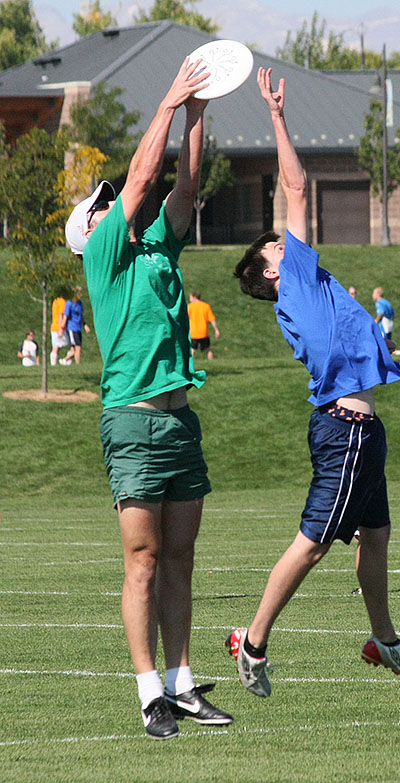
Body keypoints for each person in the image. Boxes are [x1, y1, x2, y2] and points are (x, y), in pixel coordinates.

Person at [227, 67, 400, 698]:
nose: (286, 242)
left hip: (364, 430)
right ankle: (252, 642)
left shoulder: (303, 286)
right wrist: (277, 116)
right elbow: (296, 186)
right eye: (277, 246)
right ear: (272, 272)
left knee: (378, 536)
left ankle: (384, 640)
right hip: (345, 432)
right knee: (313, 544)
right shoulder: (300, 285)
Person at [64, 57, 233, 739]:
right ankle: (147, 692)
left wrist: (198, 113)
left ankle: (183, 683)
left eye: (111, 202)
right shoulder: (104, 254)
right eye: (101, 205)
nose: (114, 203)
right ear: (91, 230)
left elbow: (183, 185)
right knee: (143, 560)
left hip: (178, 419)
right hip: (131, 422)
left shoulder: (158, 245)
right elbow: (140, 178)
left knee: (183, 558)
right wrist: (167, 100)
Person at [59, 286, 91, 365]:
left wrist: (85, 325)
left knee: (74, 350)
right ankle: (78, 365)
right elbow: (65, 317)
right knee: (78, 348)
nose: (81, 295)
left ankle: (64, 360)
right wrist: (61, 329)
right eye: (79, 293)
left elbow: (81, 315)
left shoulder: (80, 303)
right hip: (72, 328)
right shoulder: (69, 303)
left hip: (78, 328)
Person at [188, 291, 220, 360]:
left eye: (190, 297)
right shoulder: (206, 306)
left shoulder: (189, 307)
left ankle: (191, 364)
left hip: (194, 332)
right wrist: (216, 329)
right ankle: (211, 361)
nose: (190, 299)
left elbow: (186, 319)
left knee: (192, 349)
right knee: (208, 349)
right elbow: (212, 319)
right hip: (204, 332)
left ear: (194, 297)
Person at [50, 294, 69, 365]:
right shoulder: (62, 301)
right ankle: (66, 361)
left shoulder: (55, 301)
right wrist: (61, 329)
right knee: (71, 345)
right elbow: (60, 315)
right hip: (58, 326)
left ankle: (53, 363)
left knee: (56, 346)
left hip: (54, 326)